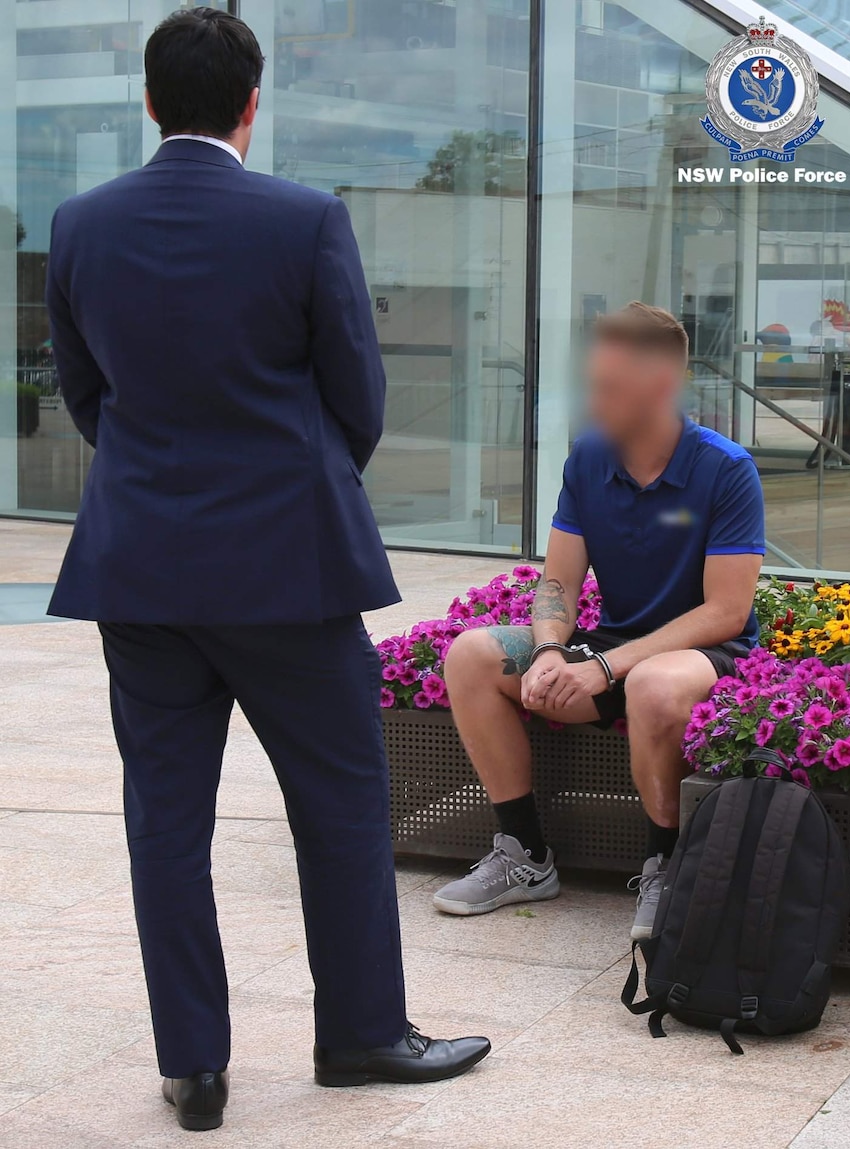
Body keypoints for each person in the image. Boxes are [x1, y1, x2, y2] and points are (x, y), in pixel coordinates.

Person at [46, 7, 489, 1132]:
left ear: (150, 101)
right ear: (253, 104)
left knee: (165, 822)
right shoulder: (305, 218)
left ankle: (193, 1069)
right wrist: (303, 479)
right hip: (290, 569)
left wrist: (159, 485)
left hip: (139, 567)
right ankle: (357, 1037)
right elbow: (359, 397)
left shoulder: (80, 223)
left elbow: (86, 396)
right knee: (341, 805)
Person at [435, 302, 765, 941]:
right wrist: (554, 651)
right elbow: (557, 583)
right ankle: (525, 855)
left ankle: (666, 866)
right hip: (610, 648)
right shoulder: (588, 459)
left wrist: (608, 667)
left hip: (705, 654)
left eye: (610, 386)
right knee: (474, 653)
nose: (595, 398)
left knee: (653, 684)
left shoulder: (725, 470)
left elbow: (727, 611)